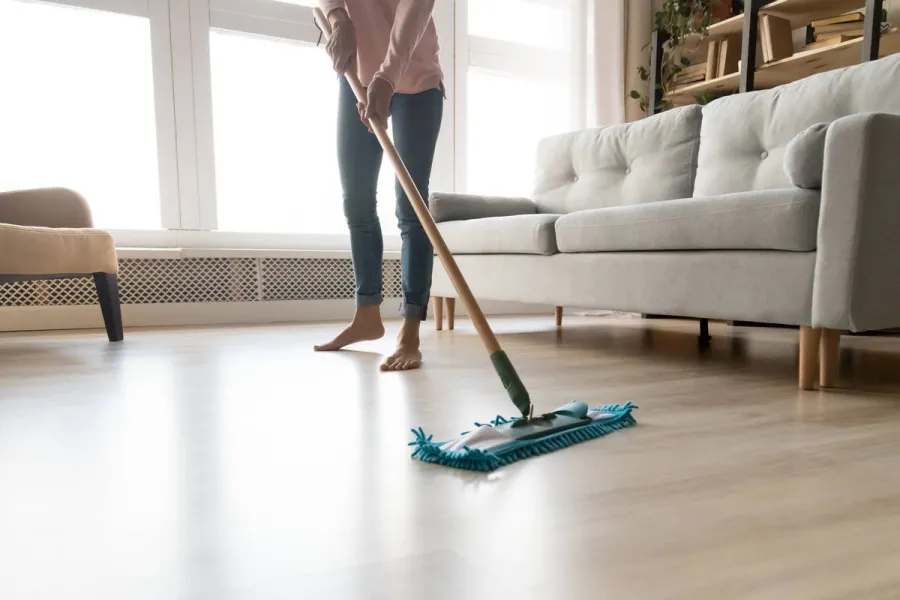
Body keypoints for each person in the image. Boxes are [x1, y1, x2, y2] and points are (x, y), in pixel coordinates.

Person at [314, 0, 443, 372]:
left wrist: (387, 77)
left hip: (416, 80)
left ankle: (410, 331)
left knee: (411, 206)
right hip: (358, 74)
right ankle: (367, 315)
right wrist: (338, 19)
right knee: (356, 201)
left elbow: (415, 11)